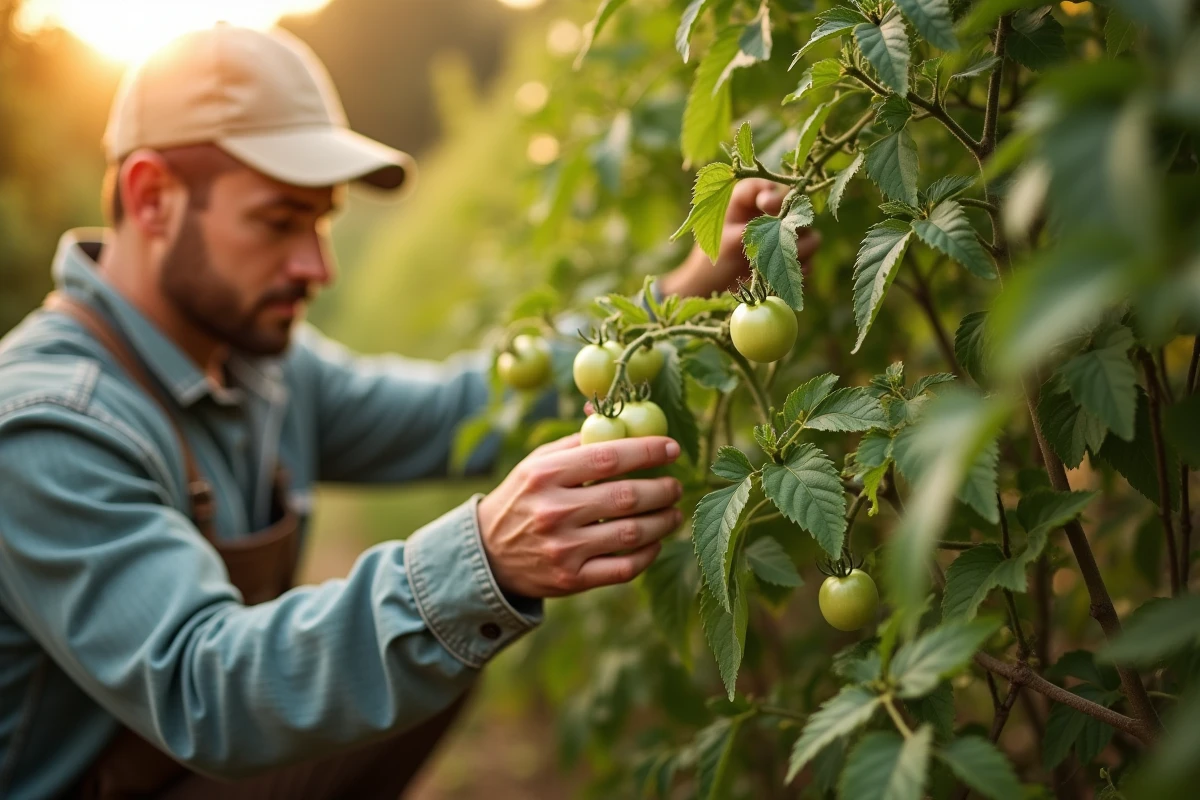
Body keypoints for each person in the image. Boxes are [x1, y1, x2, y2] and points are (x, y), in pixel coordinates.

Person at [0, 23, 820, 800]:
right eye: (279, 221)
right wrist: (482, 563)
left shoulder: (259, 364)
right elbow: (201, 683)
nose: (316, 266)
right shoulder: (48, 425)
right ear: (152, 199)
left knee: (439, 653)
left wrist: (676, 296)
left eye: (322, 222)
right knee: (445, 626)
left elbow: (463, 409)